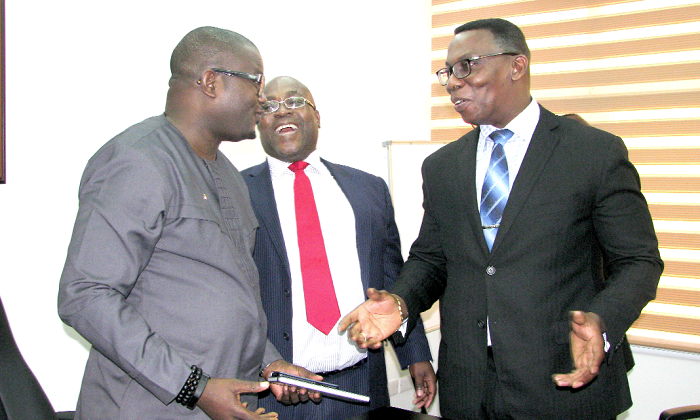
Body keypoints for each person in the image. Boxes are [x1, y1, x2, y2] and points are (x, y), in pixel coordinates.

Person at [340, 18, 663, 419]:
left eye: (467, 65)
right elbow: (432, 259)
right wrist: (402, 302)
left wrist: (602, 320)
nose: (453, 82)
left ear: (517, 66)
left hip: (564, 385)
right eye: (447, 73)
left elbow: (639, 261)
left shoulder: (593, 152)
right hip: (469, 387)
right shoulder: (443, 166)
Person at [58, 27, 318, 420]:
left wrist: (269, 363)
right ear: (211, 82)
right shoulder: (138, 161)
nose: (262, 98)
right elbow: (85, 295)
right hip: (149, 407)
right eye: (256, 82)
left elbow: (230, 298)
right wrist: (192, 387)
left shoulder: (230, 176)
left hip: (217, 403)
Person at [241, 76, 436, 419]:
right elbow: (229, 298)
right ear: (258, 122)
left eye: (295, 101)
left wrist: (416, 352)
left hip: (360, 383)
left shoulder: (367, 188)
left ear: (318, 117)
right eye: (268, 106)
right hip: (276, 393)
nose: (282, 111)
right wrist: (267, 362)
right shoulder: (235, 194)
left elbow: (393, 275)